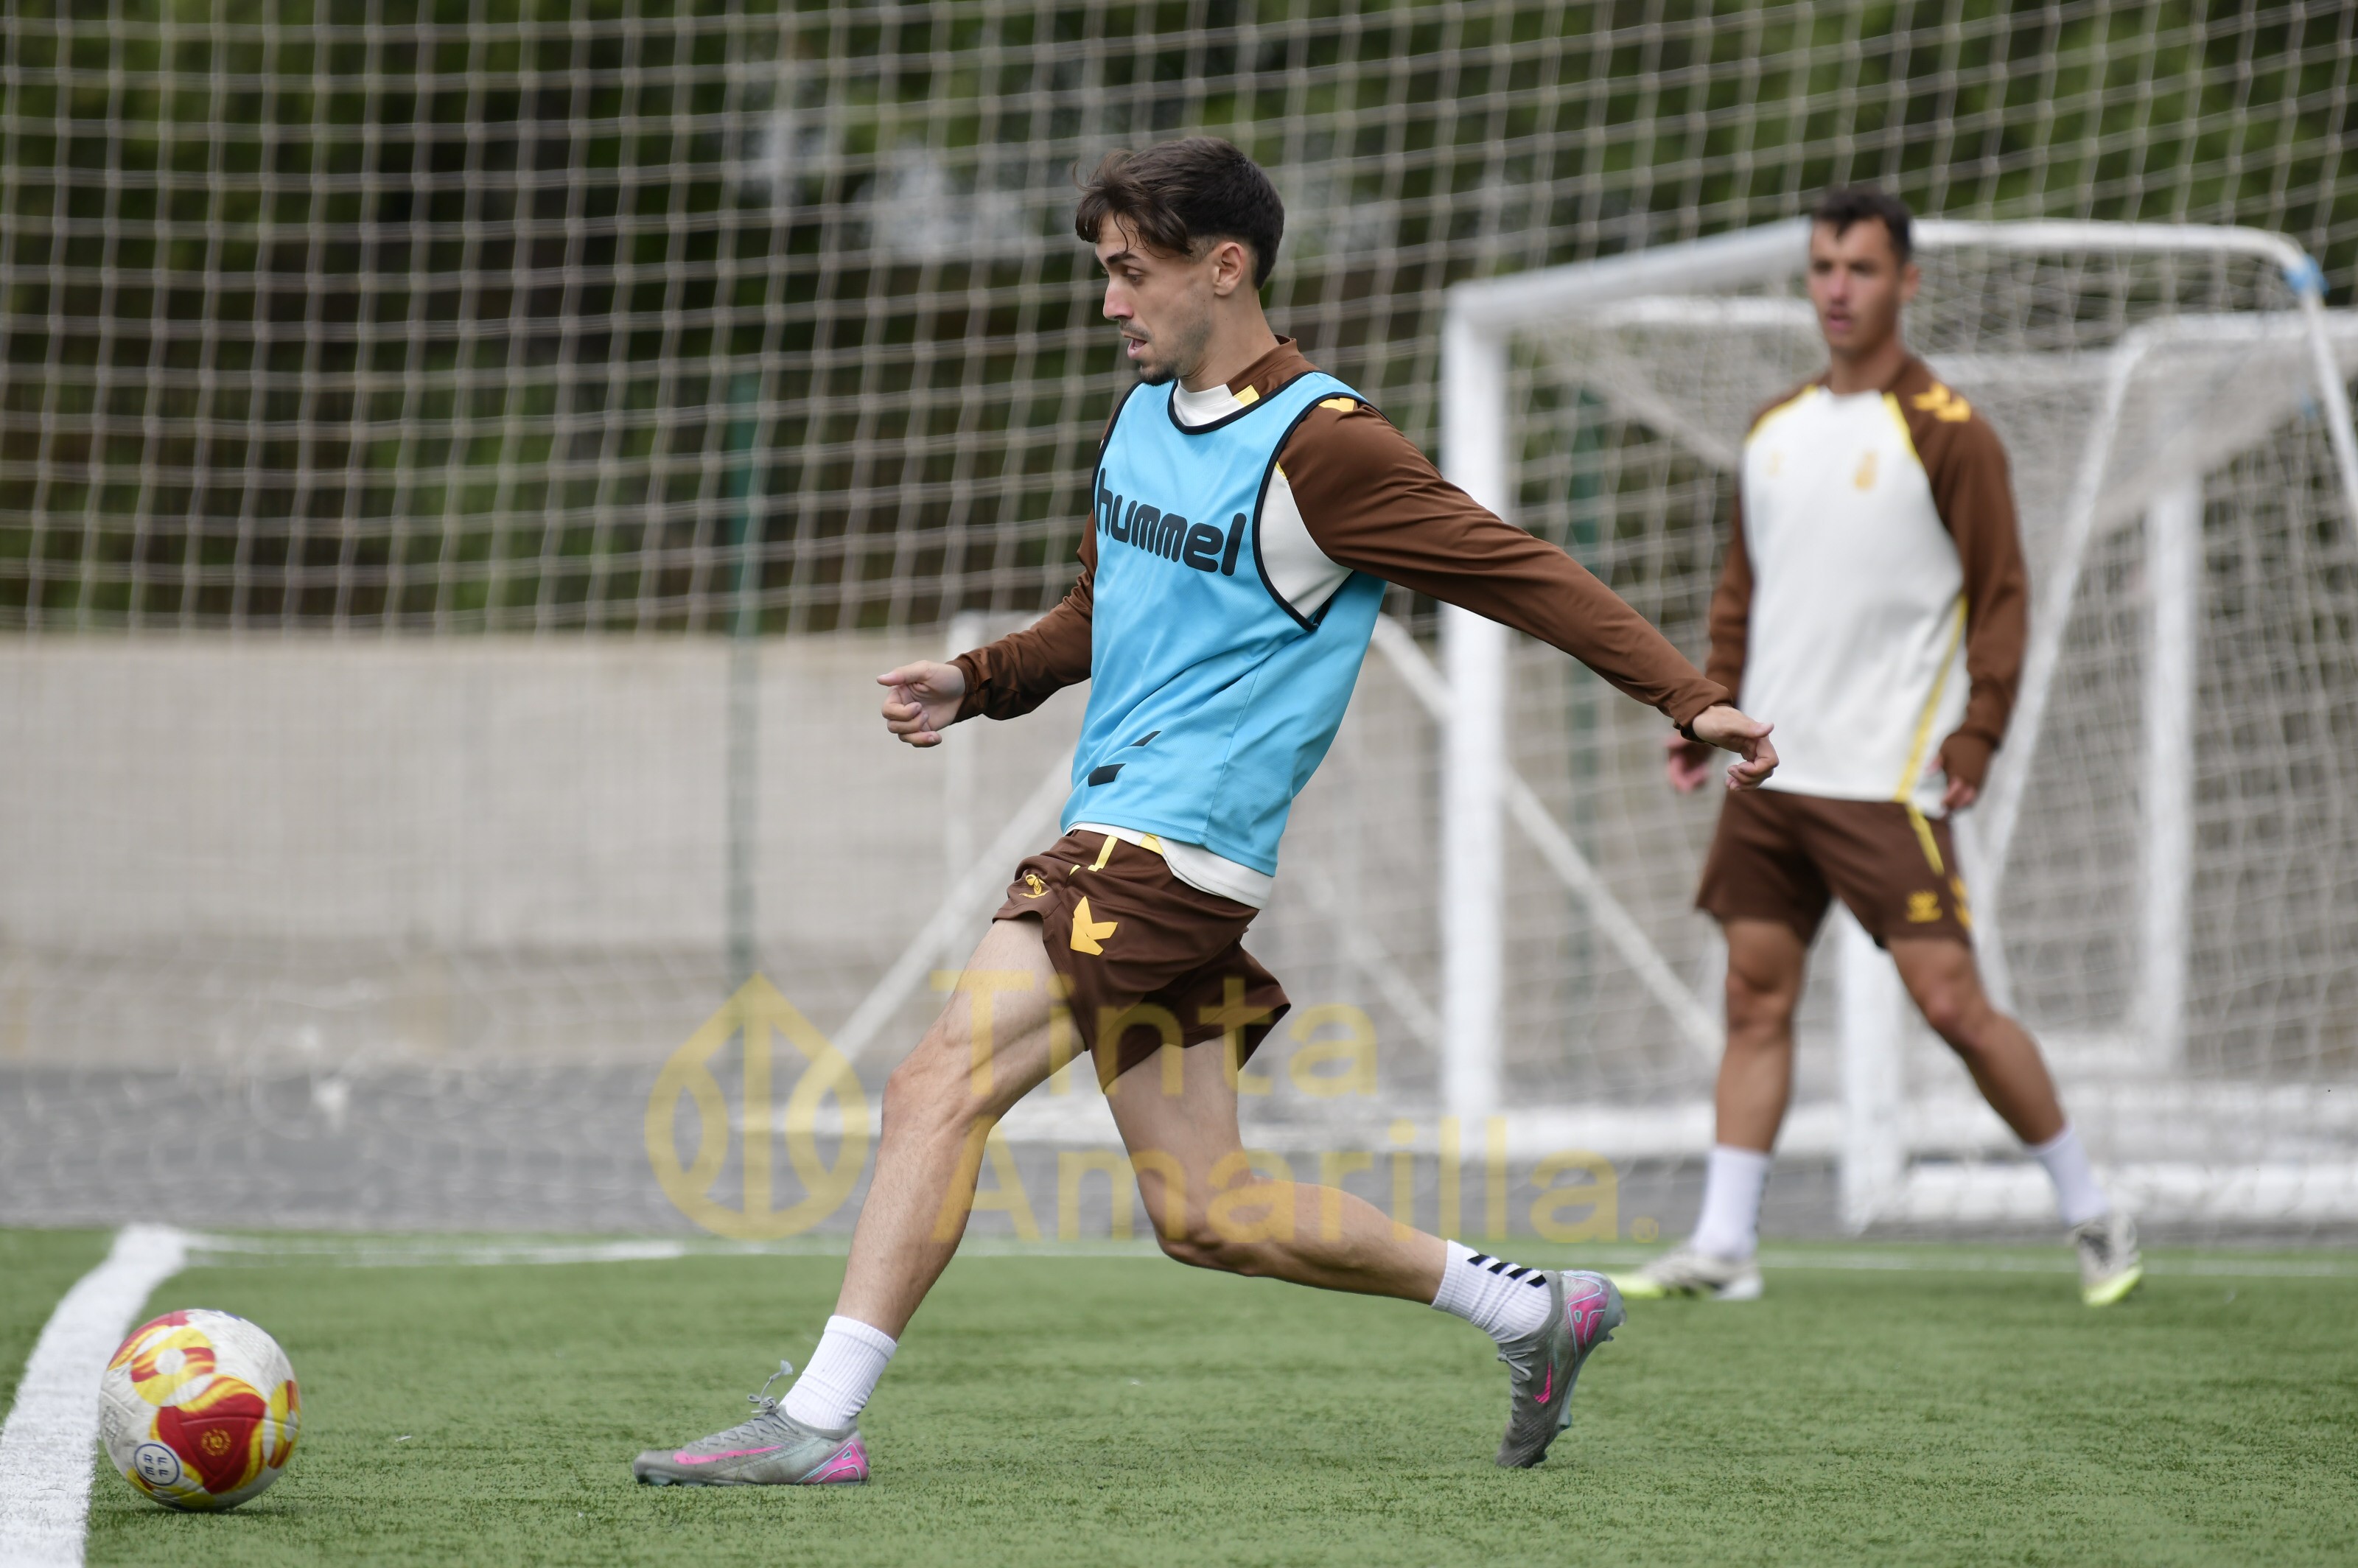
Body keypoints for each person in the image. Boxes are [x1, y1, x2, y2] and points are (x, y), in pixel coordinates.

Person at [631, 137, 1780, 1487]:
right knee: (1208, 1212)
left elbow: (1518, 571)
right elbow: (1105, 615)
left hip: (1158, 856)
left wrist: (1689, 697)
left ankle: (816, 1423)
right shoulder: (1141, 417)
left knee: (932, 1087)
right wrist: (977, 679)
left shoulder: (1327, 448)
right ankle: (1533, 1309)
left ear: (1225, 268)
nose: (1110, 302)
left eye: (1134, 273)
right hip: (1143, 848)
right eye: (1105, 274)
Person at [1618, 187, 2143, 1309]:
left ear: (1908, 282)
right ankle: (1724, 1245)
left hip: (1886, 784)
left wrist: (1979, 729)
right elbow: (1743, 594)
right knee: (1755, 998)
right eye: (1822, 268)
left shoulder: (1953, 434)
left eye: (1860, 268)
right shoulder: (1772, 430)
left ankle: (2095, 1212)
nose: (1838, 290)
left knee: (1952, 1004)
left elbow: (2003, 597)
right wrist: (1699, 713)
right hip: (1770, 775)